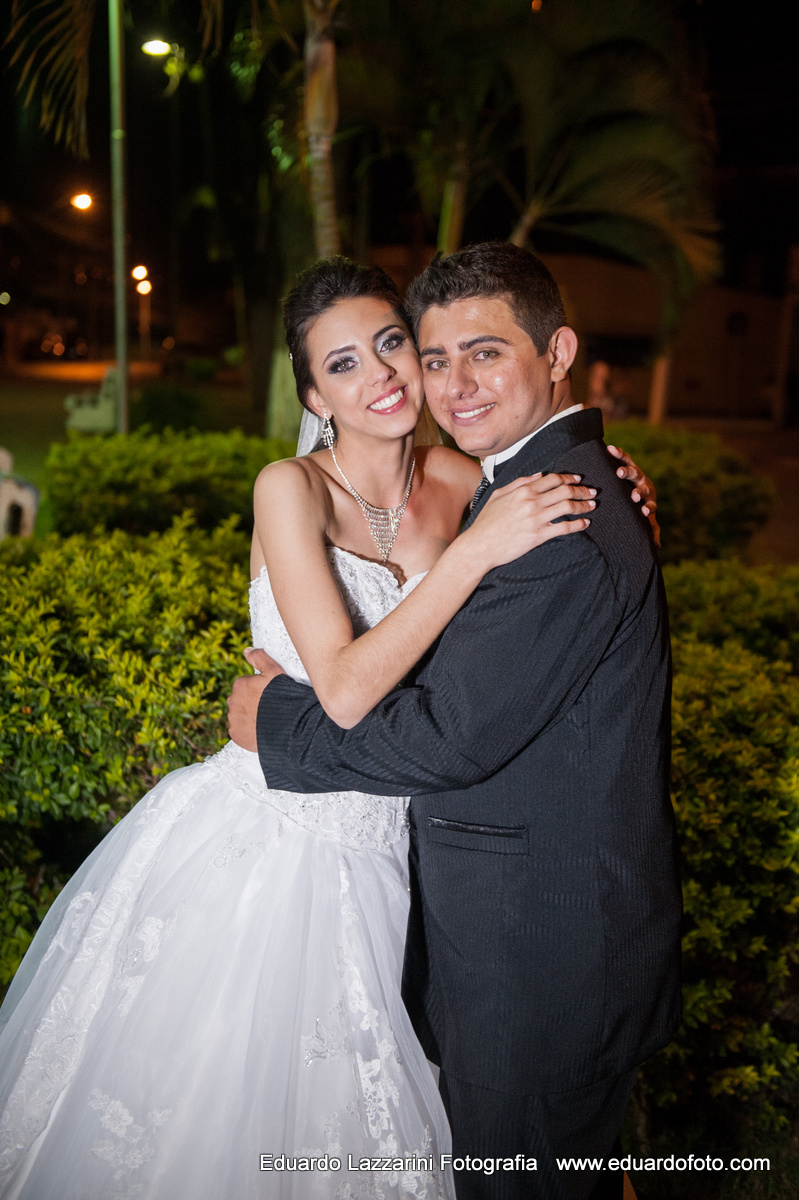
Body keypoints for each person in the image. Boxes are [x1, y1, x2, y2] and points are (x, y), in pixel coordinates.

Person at [0, 256, 655, 1200]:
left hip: (412, 844)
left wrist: (623, 486)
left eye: (393, 345)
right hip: (283, 840)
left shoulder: (467, 477)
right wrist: (471, 554)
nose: (383, 376)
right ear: (315, 393)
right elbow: (344, 690)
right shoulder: (289, 489)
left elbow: (552, 516)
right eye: (343, 364)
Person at [230, 244, 682, 1200]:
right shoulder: (487, 485)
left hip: (519, 926)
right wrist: (548, 498)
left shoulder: (522, 497)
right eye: (436, 358)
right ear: (312, 395)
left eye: (400, 347)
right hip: (355, 859)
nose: (435, 379)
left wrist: (272, 722)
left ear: (557, 350)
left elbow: (442, 729)